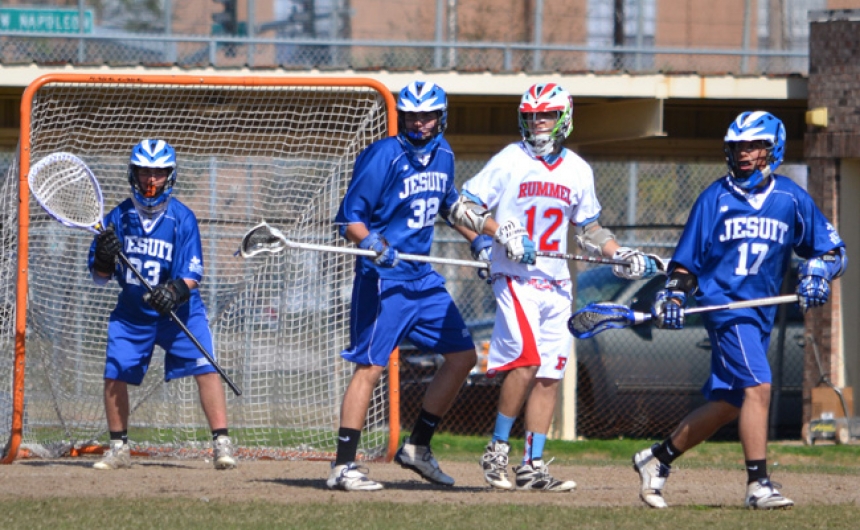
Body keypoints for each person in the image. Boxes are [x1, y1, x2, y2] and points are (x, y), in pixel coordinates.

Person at [449, 82, 660, 491]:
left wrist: (619, 254)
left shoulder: (578, 170)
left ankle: (532, 465)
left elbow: (591, 228)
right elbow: (463, 206)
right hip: (515, 277)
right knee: (526, 361)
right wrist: (500, 230)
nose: (537, 122)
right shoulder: (510, 160)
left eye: (545, 115)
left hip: (556, 282)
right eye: (531, 115)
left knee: (549, 374)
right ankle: (496, 449)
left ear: (563, 118)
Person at [633, 111, 847, 509]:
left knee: (730, 403)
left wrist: (819, 269)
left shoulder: (789, 198)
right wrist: (674, 295)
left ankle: (657, 459)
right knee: (758, 387)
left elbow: (833, 250)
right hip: (725, 308)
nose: (745, 154)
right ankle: (758, 484)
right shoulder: (714, 198)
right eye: (738, 147)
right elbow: (686, 263)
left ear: (772, 149)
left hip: (760, 312)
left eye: (753, 146)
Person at [326, 81, 478, 491]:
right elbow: (348, 219)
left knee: (463, 357)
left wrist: (477, 238)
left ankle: (418, 447)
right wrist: (373, 242)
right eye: (411, 114)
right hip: (384, 279)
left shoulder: (444, 155)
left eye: (427, 115)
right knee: (370, 368)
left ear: (441, 117)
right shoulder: (383, 156)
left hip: (422, 279)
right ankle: (343, 465)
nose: (419, 122)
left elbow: (447, 204)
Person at [87, 139, 237, 471]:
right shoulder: (119, 216)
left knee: (207, 367)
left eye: (158, 173)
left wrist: (173, 291)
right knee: (115, 373)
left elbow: (192, 272)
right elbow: (99, 277)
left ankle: (222, 443)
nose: (150, 180)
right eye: (144, 172)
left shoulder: (182, 218)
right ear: (134, 174)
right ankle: (118, 448)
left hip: (179, 312)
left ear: (170, 175)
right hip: (132, 314)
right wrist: (104, 255)